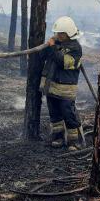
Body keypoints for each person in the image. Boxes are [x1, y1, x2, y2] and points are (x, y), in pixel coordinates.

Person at [40, 16, 83, 150]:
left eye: (61, 33)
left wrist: (53, 48)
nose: (58, 35)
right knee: (55, 114)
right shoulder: (57, 44)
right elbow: (44, 56)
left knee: (68, 114)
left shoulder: (75, 48)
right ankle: (58, 137)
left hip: (66, 88)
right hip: (52, 86)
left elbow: (62, 61)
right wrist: (48, 46)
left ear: (69, 33)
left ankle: (74, 141)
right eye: (57, 33)